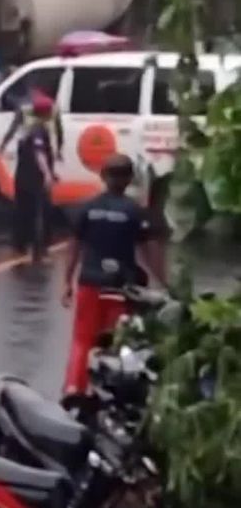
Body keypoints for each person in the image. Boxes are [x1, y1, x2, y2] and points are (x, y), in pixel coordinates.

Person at [62, 153, 166, 395]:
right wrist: (165, 284)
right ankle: (112, 394)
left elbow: (74, 247)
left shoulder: (87, 209)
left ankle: (74, 389)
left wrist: (67, 282)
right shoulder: (136, 212)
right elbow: (151, 254)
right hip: (122, 288)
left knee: (82, 341)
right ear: (129, 179)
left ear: (102, 177)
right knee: (120, 342)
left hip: (90, 283)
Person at [12, 91, 56, 263]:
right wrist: (47, 174)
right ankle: (40, 252)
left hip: (22, 176)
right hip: (34, 178)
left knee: (23, 212)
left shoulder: (27, 129)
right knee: (41, 214)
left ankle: (20, 245)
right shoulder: (39, 129)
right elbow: (39, 154)